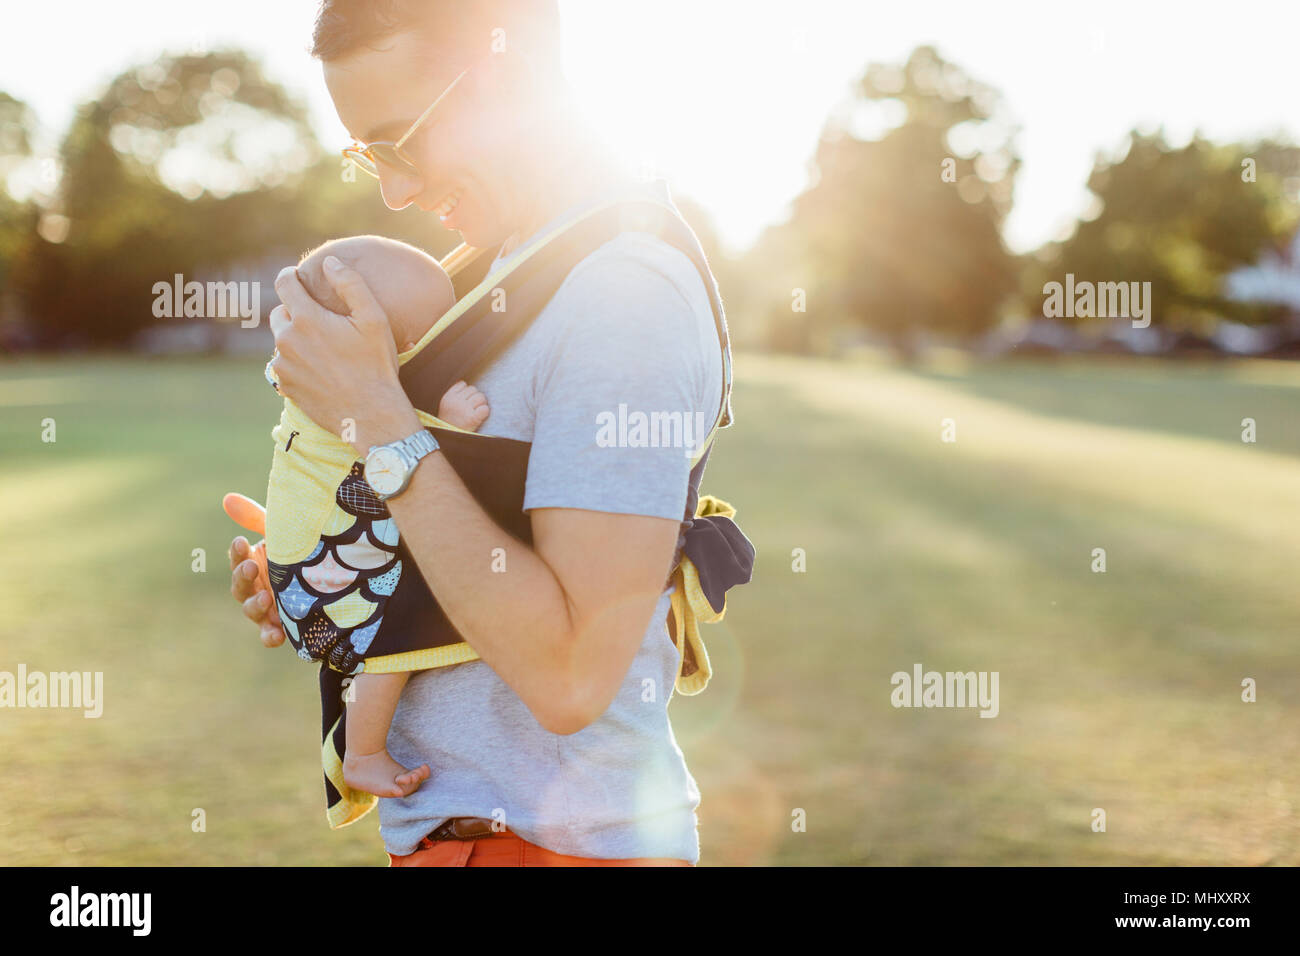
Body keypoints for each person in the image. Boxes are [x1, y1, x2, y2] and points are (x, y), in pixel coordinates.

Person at [229, 0, 727, 866]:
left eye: (399, 141)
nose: (395, 191)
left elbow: (571, 675)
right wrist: (339, 562)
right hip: (451, 838)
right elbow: (456, 533)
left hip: (562, 847)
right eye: (367, 155)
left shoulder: (625, 293)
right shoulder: (497, 271)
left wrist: (381, 427)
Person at [261, 235, 489, 800]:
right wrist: (452, 421)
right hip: (323, 569)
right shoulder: (334, 390)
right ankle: (361, 753)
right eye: (419, 337)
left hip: (303, 557)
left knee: (392, 633)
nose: (432, 347)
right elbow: (403, 446)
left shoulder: (301, 376)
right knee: (393, 643)